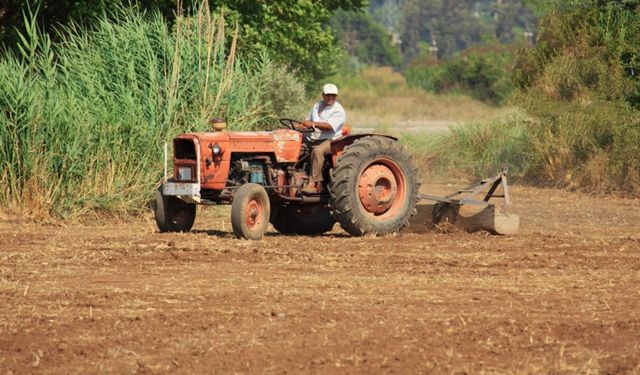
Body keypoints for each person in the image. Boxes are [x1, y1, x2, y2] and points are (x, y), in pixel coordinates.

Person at [297, 83, 346, 194]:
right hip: (313, 138)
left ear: (336, 96)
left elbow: (329, 127)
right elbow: (307, 121)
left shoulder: (338, 110)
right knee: (296, 148)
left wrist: (312, 124)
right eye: (328, 95)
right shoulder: (317, 105)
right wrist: (296, 127)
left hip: (331, 140)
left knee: (317, 151)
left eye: (333, 95)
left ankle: (313, 183)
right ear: (323, 95)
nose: (330, 98)